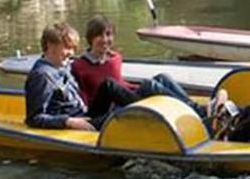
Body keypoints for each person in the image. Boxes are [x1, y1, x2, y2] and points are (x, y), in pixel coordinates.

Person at [70, 15, 203, 117]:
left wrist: (141, 88)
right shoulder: (79, 66)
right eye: (99, 35)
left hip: (124, 100)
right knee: (148, 85)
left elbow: (121, 84)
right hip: (105, 109)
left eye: (108, 34)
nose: (105, 40)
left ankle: (196, 109)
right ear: (90, 38)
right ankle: (196, 112)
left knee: (162, 78)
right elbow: (80, 97)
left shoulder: (115, 58)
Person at [24, 23, 123, 131]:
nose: (71, 53)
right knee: (119, 116)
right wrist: (68, 121)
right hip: (73, 123)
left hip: (84, 115)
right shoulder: (42, 76)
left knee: (109, 85)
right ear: (50, 45)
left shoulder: (64, 65)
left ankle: (141, 109)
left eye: (73, 48)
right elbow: (34, 119)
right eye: (67, 47)